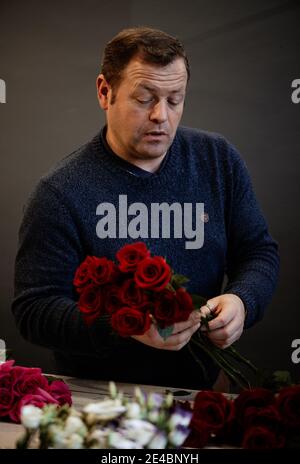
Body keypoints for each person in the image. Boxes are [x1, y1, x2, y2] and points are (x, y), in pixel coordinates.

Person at [12, 27, 279, 390]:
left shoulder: (219, 160)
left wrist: (242, 300)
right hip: (98, 397)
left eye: (175, 99)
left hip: (201, 391)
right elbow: (35, 310)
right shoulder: (60, 191)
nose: (161, 115)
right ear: (105, 93)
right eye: (144, 98)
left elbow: (258, 252)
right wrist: (124, 325)